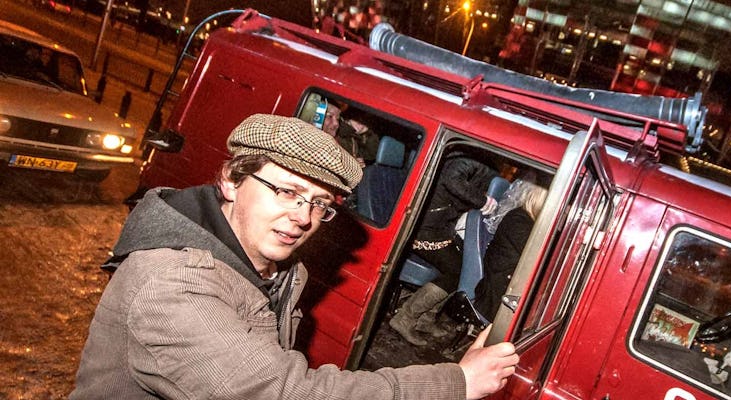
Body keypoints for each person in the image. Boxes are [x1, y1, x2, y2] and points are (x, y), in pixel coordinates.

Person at [71, 114, 518, 399]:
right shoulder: (173, 284)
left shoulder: (272, 264)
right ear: (231, 180)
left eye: (320, 203)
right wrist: (455, 383)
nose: (303, 217)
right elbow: (286, 393)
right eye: (287, 191)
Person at [389, 152, 498, 346]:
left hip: (439, 227)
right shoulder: (470, 157)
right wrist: (483, 201)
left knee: (461, 268)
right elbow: (452, 179)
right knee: (456, 271)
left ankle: (425, 320)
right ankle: (404, 319)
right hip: (423, 228)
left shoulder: (480, 160)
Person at [474, 180, 548, 321]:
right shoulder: (518, 220)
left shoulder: (528, 221)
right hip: (498, 292)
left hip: (507, 286)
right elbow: (539, 257)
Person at [321, 102, 380, 167]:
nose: (335, 123)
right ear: (348, 118)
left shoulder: (353, 139)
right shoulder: (340, 132)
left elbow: (371, 154)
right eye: (359, 121)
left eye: (366, 125)